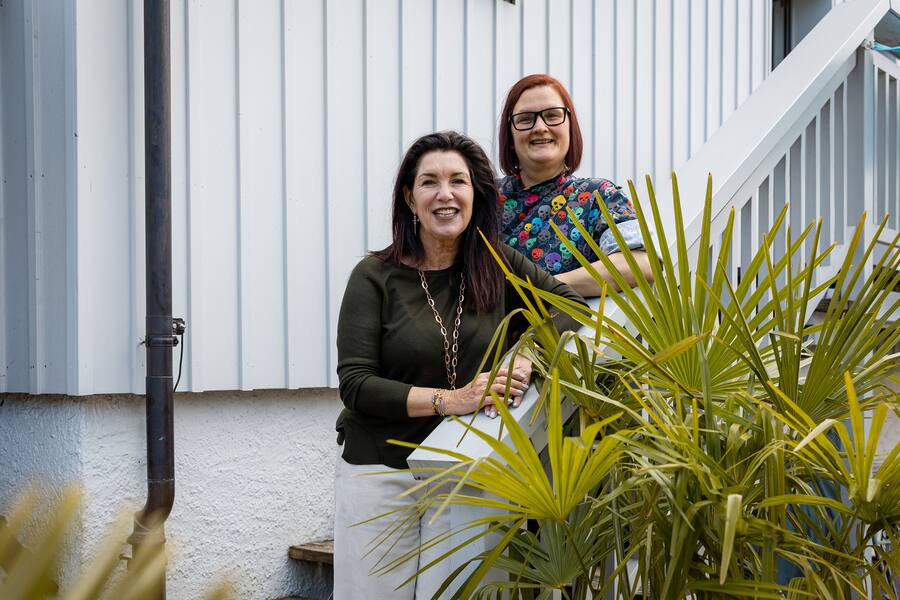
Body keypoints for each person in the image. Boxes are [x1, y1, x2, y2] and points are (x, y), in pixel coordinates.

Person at [333, 131, 584, 599]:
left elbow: (570, 308)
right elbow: (357, 385)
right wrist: (454, 400)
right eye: (429, 182)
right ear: (410, 198)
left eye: (458, 181)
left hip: (467, 469)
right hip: (381, 471)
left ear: (475, 195)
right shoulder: (373, 277)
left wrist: (528, 354)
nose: (444, 194)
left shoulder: (499, 264)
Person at [497, 74, 655, 297]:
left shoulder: (598, 196)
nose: (540, 127)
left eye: (552, 116)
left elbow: (640, 263)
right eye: (525, 119)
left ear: (570, 129)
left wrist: (541, 288)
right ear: (510, 135)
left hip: (561, 330)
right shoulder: (482, 197)